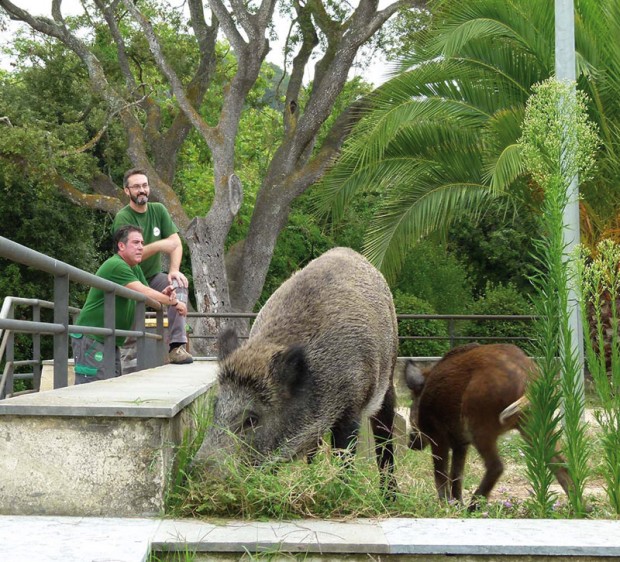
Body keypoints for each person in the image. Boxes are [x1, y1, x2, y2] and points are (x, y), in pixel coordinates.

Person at [71, 225, 187, 384]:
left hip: (109, 339)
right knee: (92, 392)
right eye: (136, 243)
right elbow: (144, 292)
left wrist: (164, 294)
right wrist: (174, 302)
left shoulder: (135, 268)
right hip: (92, 337)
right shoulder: (116, 265)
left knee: (110, 388)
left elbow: (148, 296)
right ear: (121, 246)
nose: (141, 247)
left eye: (142, 243)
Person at [112, 168, 193, 364]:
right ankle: (122, 359)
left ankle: (176, 346)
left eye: (145, 185)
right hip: (130, 278)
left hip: (154, 277)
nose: (142, 190)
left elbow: (175, 243)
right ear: (127, 191)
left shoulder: (159, 210)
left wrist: (174, 270)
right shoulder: (123, 217)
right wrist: (158, 246)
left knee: (178, 283)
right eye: (137, 186)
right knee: (128, 338)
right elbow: (131, 256)